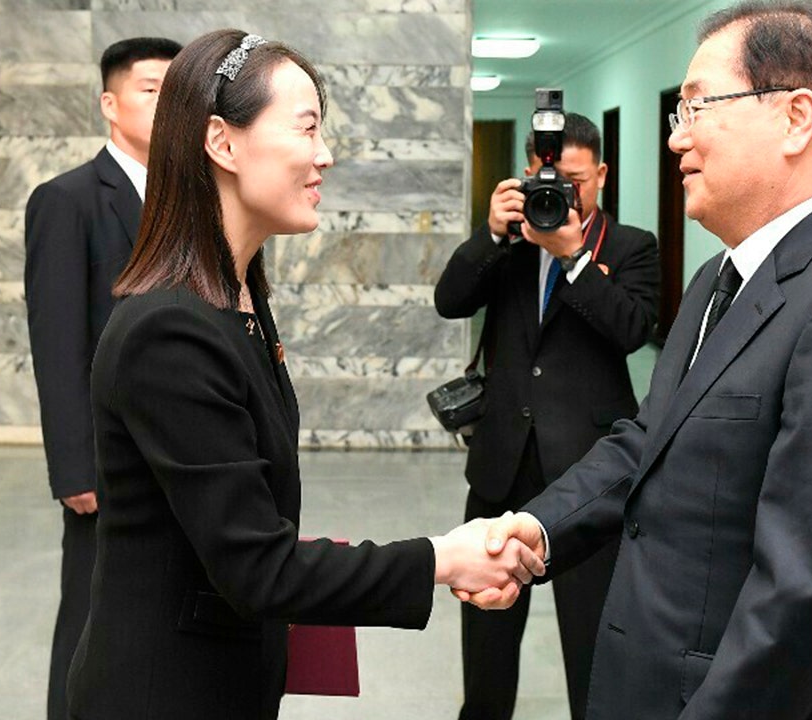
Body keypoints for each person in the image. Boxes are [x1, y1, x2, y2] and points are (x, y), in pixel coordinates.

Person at [470, 3, 812, 718]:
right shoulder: (718, 278)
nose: (677, 137)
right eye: (678, 113)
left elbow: (805, 597)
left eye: (698, 107)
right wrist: (536, 529)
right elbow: (650, 440)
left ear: (796, 118)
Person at [64, 30, 543, 720]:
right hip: (163, 693)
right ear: (222, 142)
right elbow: (258, 567)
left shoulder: (238, 298)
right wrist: (443, 557)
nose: (325, 155)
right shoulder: (167, 330)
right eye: (307, 127)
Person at [435, 113, 660, 720]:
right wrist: (490, 233)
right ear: (529, 171)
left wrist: (575, 258)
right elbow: (449, 301)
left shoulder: (631, 245)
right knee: (486, 643)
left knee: (591, 638)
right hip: (503, 461)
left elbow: (633, 329)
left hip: (590, 471)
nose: (561, 193)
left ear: (602, 175)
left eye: (576, 181)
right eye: (549, 178)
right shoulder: (510, 244)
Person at [23, 35, 182, 720]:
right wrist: (73, 467)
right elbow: (57, 342)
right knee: (90, 619)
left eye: (177, 92)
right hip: (109, 460)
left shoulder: (195, 199)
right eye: (152, 90)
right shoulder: (68, 200)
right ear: (110, 105)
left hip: (183, 450)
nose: (167, 105)